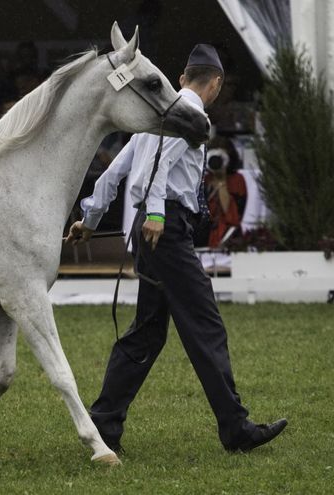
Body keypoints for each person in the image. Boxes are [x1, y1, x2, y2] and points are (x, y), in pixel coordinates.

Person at [66, 44, 287, 453]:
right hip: (164, 229)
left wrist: (90, 218)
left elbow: (116, 169)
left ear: (184, 77)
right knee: (205, 324)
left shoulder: (155, 115)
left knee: (147, 334)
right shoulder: (192, 114)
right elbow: (158, 166)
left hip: (154, 230)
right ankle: (236, 429)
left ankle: (103, 424)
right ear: (215, 83)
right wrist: (155, 214)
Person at [202, 136, 247, 248]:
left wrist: (222, 181)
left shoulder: (237, 179)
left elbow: (232, 216)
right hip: (204, 237)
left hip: (229, 236)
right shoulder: (204, 180)